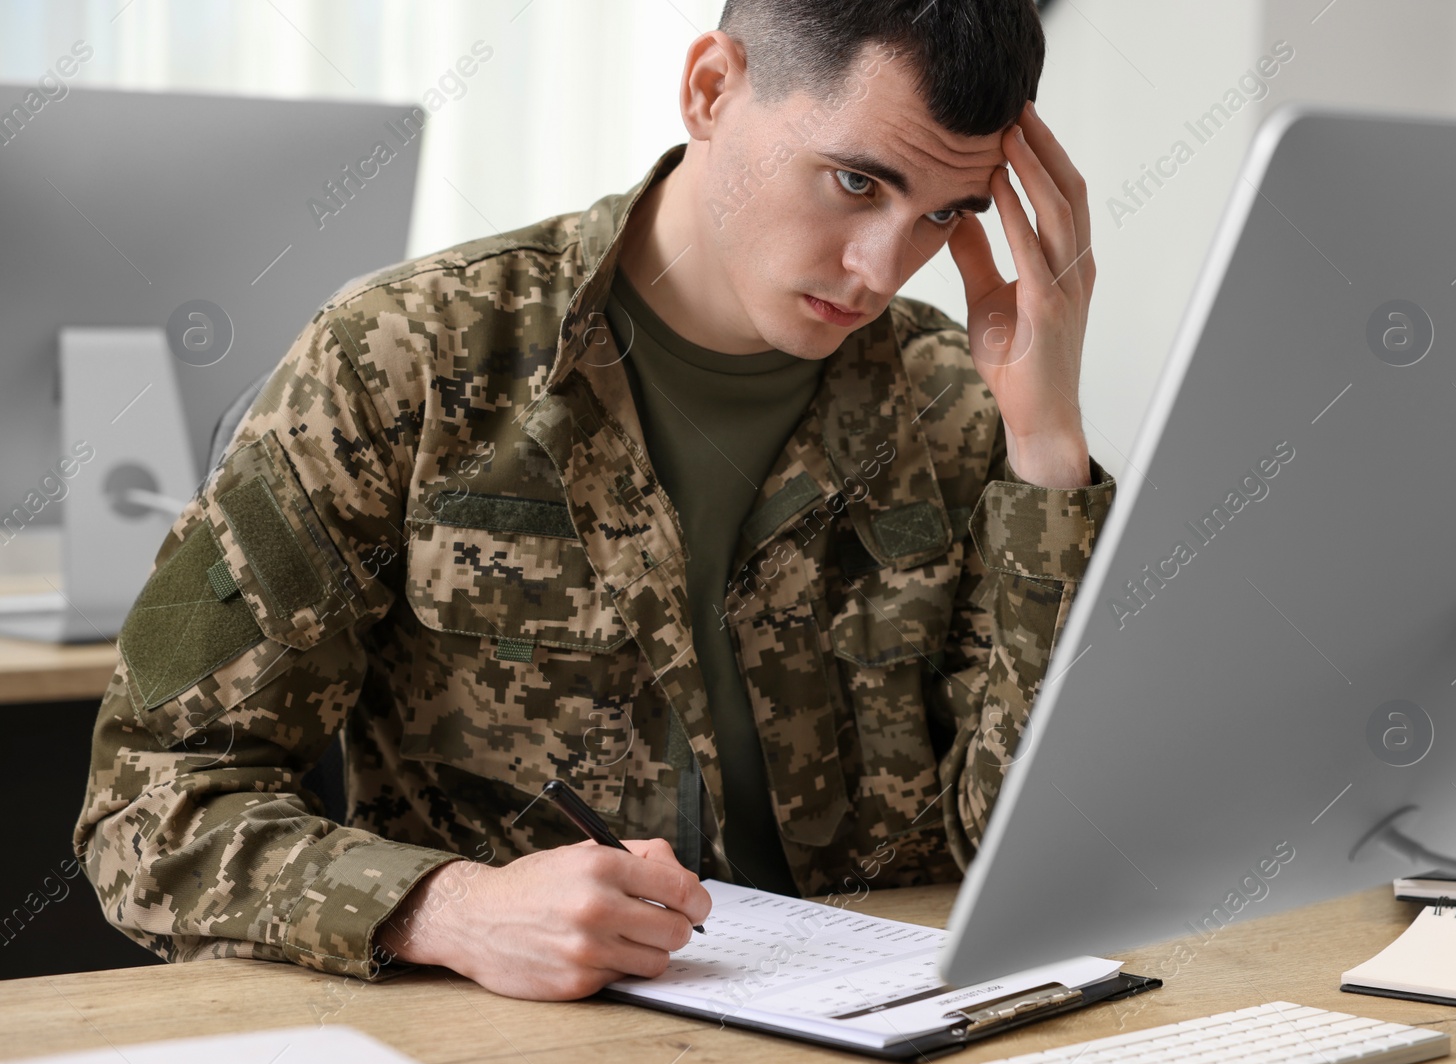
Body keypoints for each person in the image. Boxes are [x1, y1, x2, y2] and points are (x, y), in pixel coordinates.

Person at [74, 0, 1116, 1003]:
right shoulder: (404, 359)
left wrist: (1048, 448)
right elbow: (151, 802)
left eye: (945, 213)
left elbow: (1031, 858)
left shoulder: (960, 400)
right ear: (710, 90)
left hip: (900, 1028)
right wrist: (445, 907)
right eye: (853, 181)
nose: (882, 267)